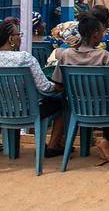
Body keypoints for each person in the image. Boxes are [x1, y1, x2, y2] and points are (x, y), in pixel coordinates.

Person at [52, 14, 109, 165]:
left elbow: (58, 85)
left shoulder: (66, 55)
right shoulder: (104, 56)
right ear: (95, 34)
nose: (104, 34)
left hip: (78, 108)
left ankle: (105, 146)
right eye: (102, 31)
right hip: (107, 108)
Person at [0, 18, 66, 157]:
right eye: (19, 35)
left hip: (2, 111)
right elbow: (45, 88)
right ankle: (53, 145)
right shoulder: (25, 58)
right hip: (28, 111)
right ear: (11, 38)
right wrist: (58, 87)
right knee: (63, 102)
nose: (20, 38)